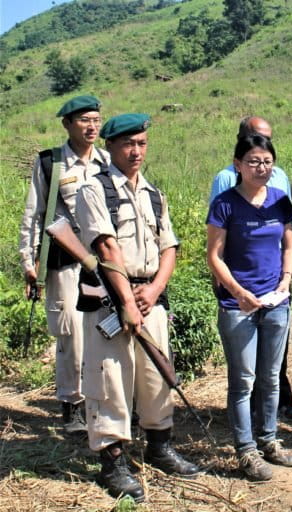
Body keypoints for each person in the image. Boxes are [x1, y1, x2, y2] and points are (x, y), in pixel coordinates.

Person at [75, 114, 200, 503]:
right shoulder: (94, 189)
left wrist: (155, 289)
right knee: (110, 380)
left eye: (142, 143)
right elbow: (107, 248)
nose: (136, 151)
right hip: (112, 301)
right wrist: (128, 302)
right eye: (128, 144)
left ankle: (159, 448)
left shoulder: (152, 193)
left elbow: (169, 247)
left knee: (157, 375)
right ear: (110, 146)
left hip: (151, 300)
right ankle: (112, 463)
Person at [207, 134, 292, 481]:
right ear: (238, 165)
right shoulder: (225, 204)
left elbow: (289, 245)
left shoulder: (280, 200)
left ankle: (270, 440)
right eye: (253, 162)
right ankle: (246, 451)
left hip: (276, 302)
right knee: (243, 380)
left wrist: (286, 280)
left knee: (271, 378)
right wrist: (238, 291)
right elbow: (214, 256)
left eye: (266, 161)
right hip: (238, 305)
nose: (261, 168)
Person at [19, 95, 109, 436]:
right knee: (70, 334)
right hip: (64, 263)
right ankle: (72, 405)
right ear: (67, 124)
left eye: (96, 120)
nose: (91, 126)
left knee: (104, 329)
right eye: (84, 120)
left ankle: (101, 401)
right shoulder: (51, 164)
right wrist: (29, 262)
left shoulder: (105, 160)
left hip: (101, 262)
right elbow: (34, 214)